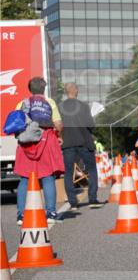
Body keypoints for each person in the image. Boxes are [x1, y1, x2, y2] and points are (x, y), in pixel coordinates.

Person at [14, 77, 64, 225]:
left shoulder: (22, 103)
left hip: (26, 143)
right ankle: (51, 213)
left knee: (25, 178)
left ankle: (21, 215)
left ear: (30, 89)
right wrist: (59, 135)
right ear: (44, 88)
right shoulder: (50, 102)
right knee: (47, 177)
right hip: (45, 141)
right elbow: (58, 124)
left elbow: (16, 123)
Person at [57, 82, 103, 210]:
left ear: (66, 92)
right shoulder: (83, 106)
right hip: (84, 142)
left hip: (67, 143)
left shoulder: (60, 107)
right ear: (76, 91)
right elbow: (90, 125)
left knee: (68, 172)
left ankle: (73, 202)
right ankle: (92, 199)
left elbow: (58, 125)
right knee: (91, 170)